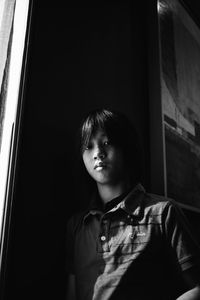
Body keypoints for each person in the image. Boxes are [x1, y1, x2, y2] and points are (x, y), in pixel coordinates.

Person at [66, 108, 200, 300]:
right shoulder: (77, 225)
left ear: (126, 148)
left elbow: (196, 287)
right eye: (88, 146)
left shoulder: (163, 213)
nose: (98, 153)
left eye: (107, 143)